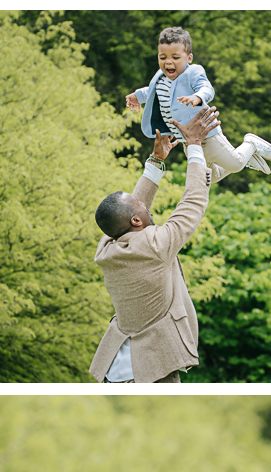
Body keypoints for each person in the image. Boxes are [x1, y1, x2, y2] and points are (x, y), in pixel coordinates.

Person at [89, 106, 219, 385]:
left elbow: (130, 209)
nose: (145, 204)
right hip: (151, 368)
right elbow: (192, 203)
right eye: (141, 207)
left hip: (115, 368)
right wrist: (194, 147)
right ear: (136, 219)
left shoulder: (107, 247)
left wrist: (156, 162)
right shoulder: (155, 245)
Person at [126, 26, 271, 184]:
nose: (168, 62)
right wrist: (137, 96)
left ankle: (250, 144)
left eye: (175, 57)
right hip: (186, 139)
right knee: (211, 177)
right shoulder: (161, 78)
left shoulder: (193, 72)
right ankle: (246, 156)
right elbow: (151, 91)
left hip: (206, 135)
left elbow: (207, 88)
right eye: (163, 57)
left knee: (236, 164)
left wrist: (197, 97)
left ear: (189, 58)